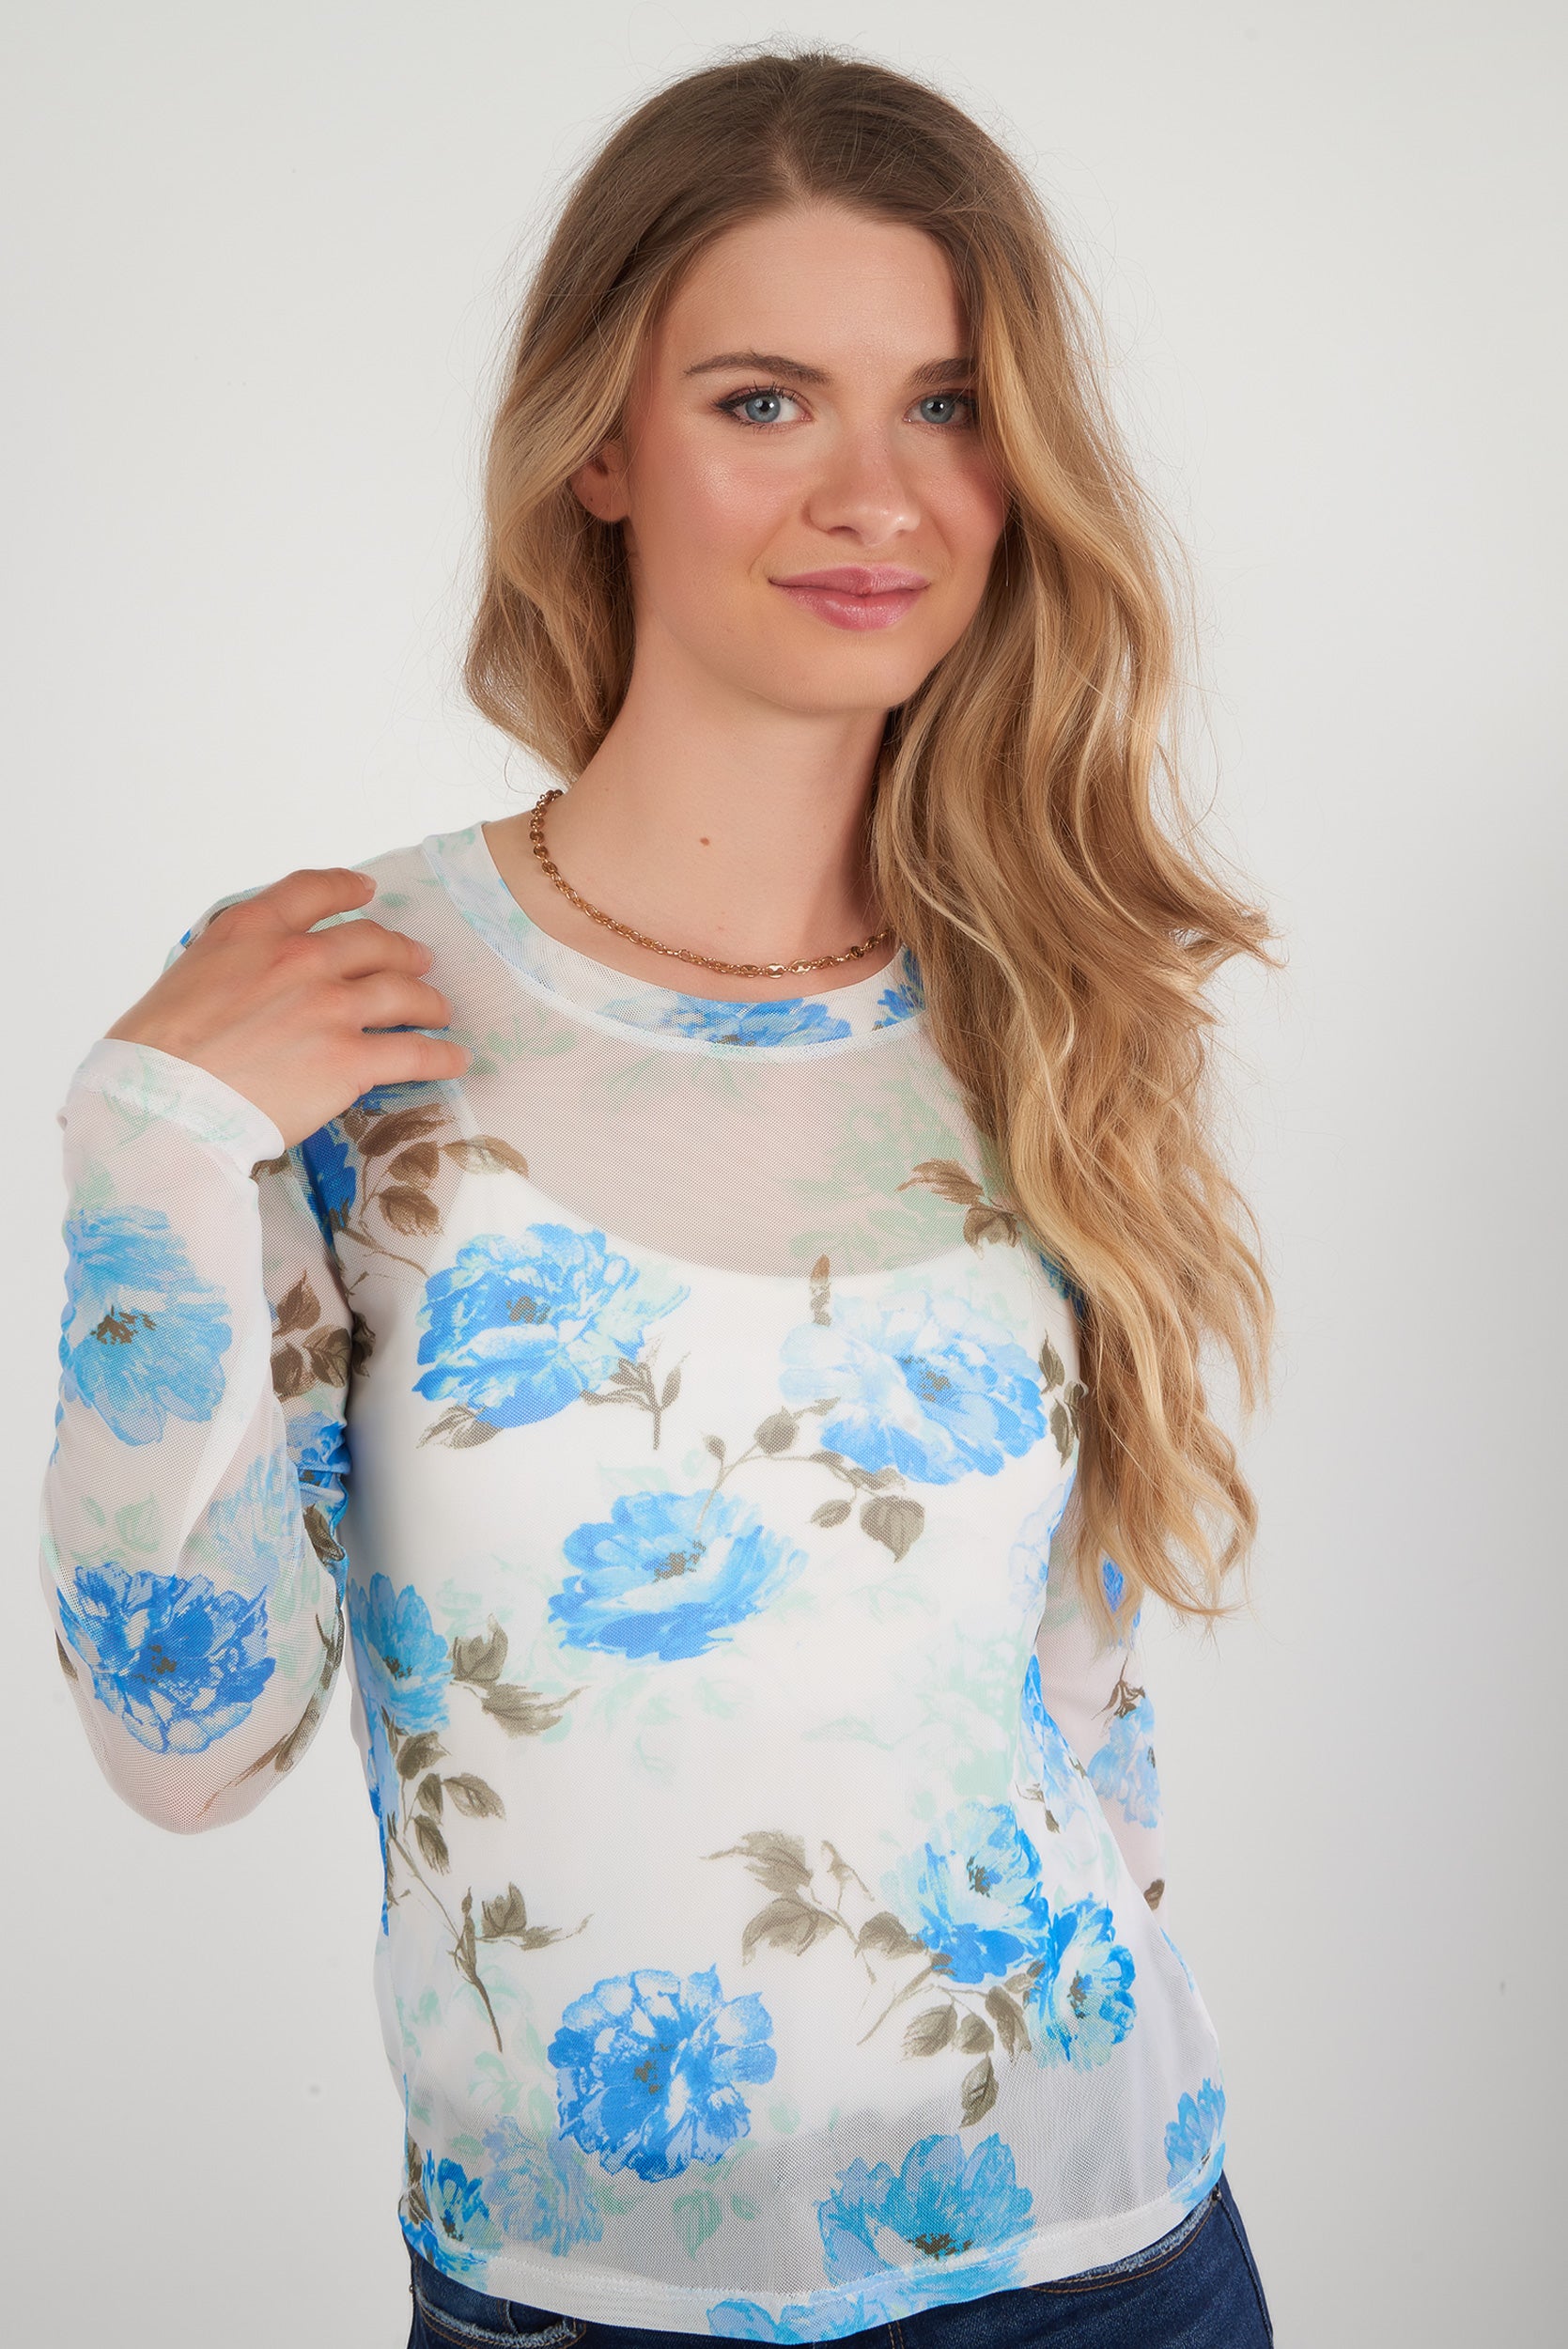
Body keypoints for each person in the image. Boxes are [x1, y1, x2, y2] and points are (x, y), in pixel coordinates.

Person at [38, 44, 1279, 2349]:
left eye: (944, 404)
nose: (875, 495)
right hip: (573, 2295)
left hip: (1110, 2259)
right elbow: (185, 1744)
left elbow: (1078, 1709)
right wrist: (144, 1147)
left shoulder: (1055, 996)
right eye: (764, 400)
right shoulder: (337, 1008)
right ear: (599, 443)